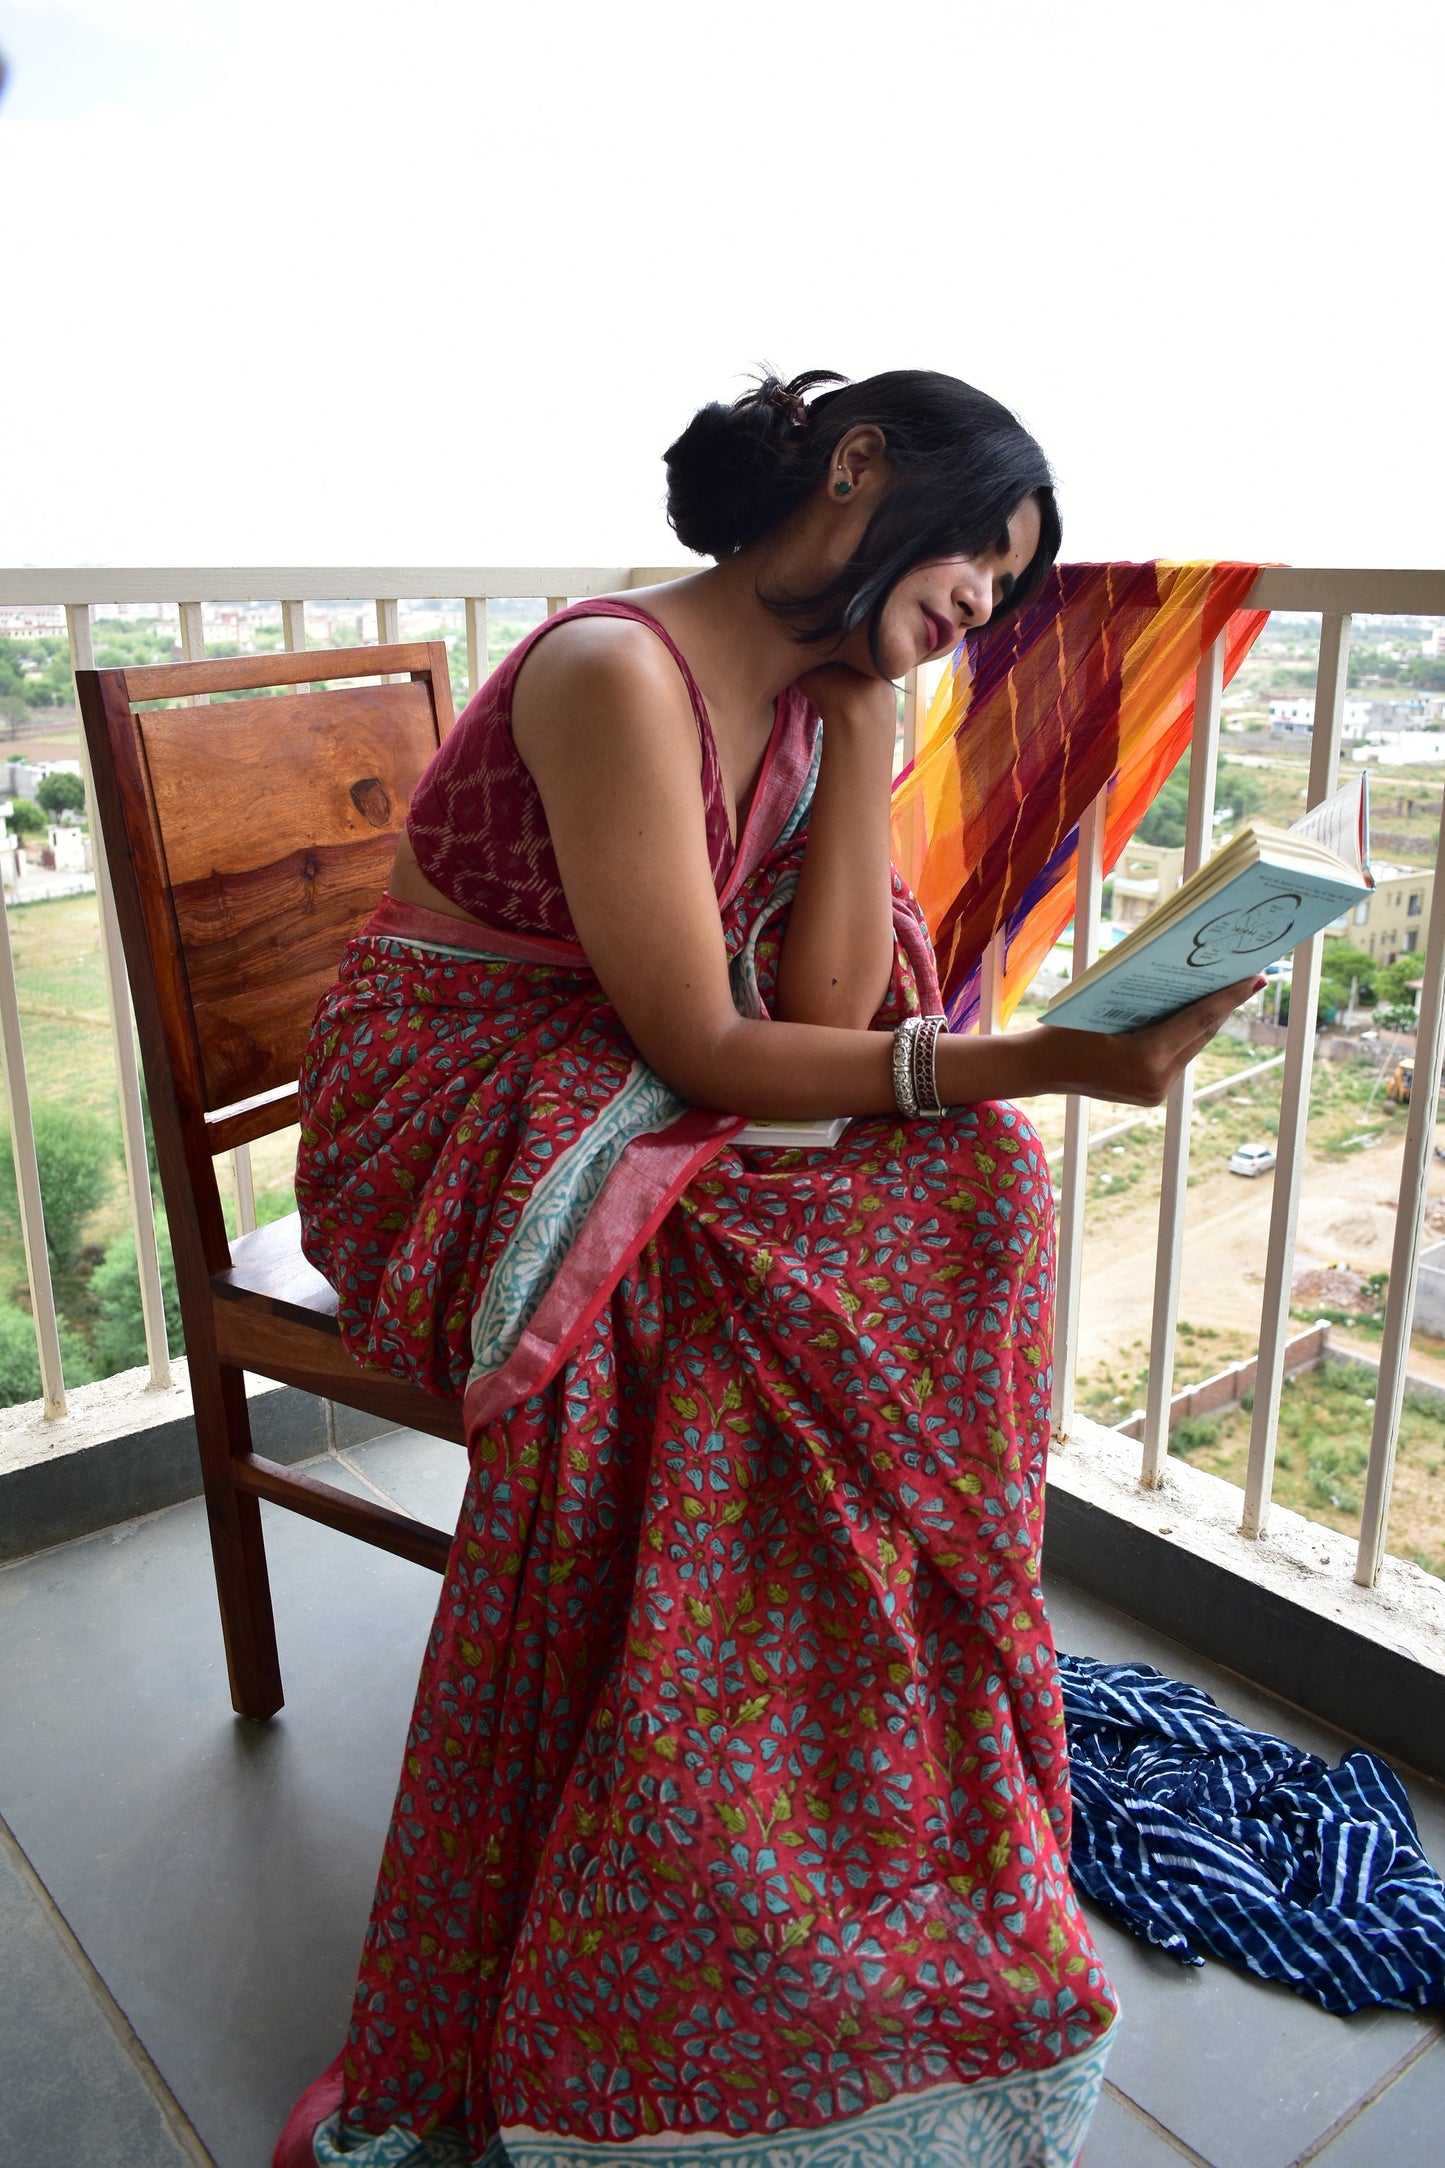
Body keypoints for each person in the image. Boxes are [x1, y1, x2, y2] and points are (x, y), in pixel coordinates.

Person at [278, 369, 1255, 2168]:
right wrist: (1042, 1048)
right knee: (751, 1269)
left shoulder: (822, 702)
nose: (979, 605)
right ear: (857, 465)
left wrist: (867, 728)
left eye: (1000, 587)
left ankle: (838, 1714)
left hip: (617, 1059)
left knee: (967, 1186)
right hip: (449, 1095)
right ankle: (705, 1737)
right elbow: (713, 1047)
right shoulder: (612, 670)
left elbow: (822, 1010)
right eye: (978, 558)